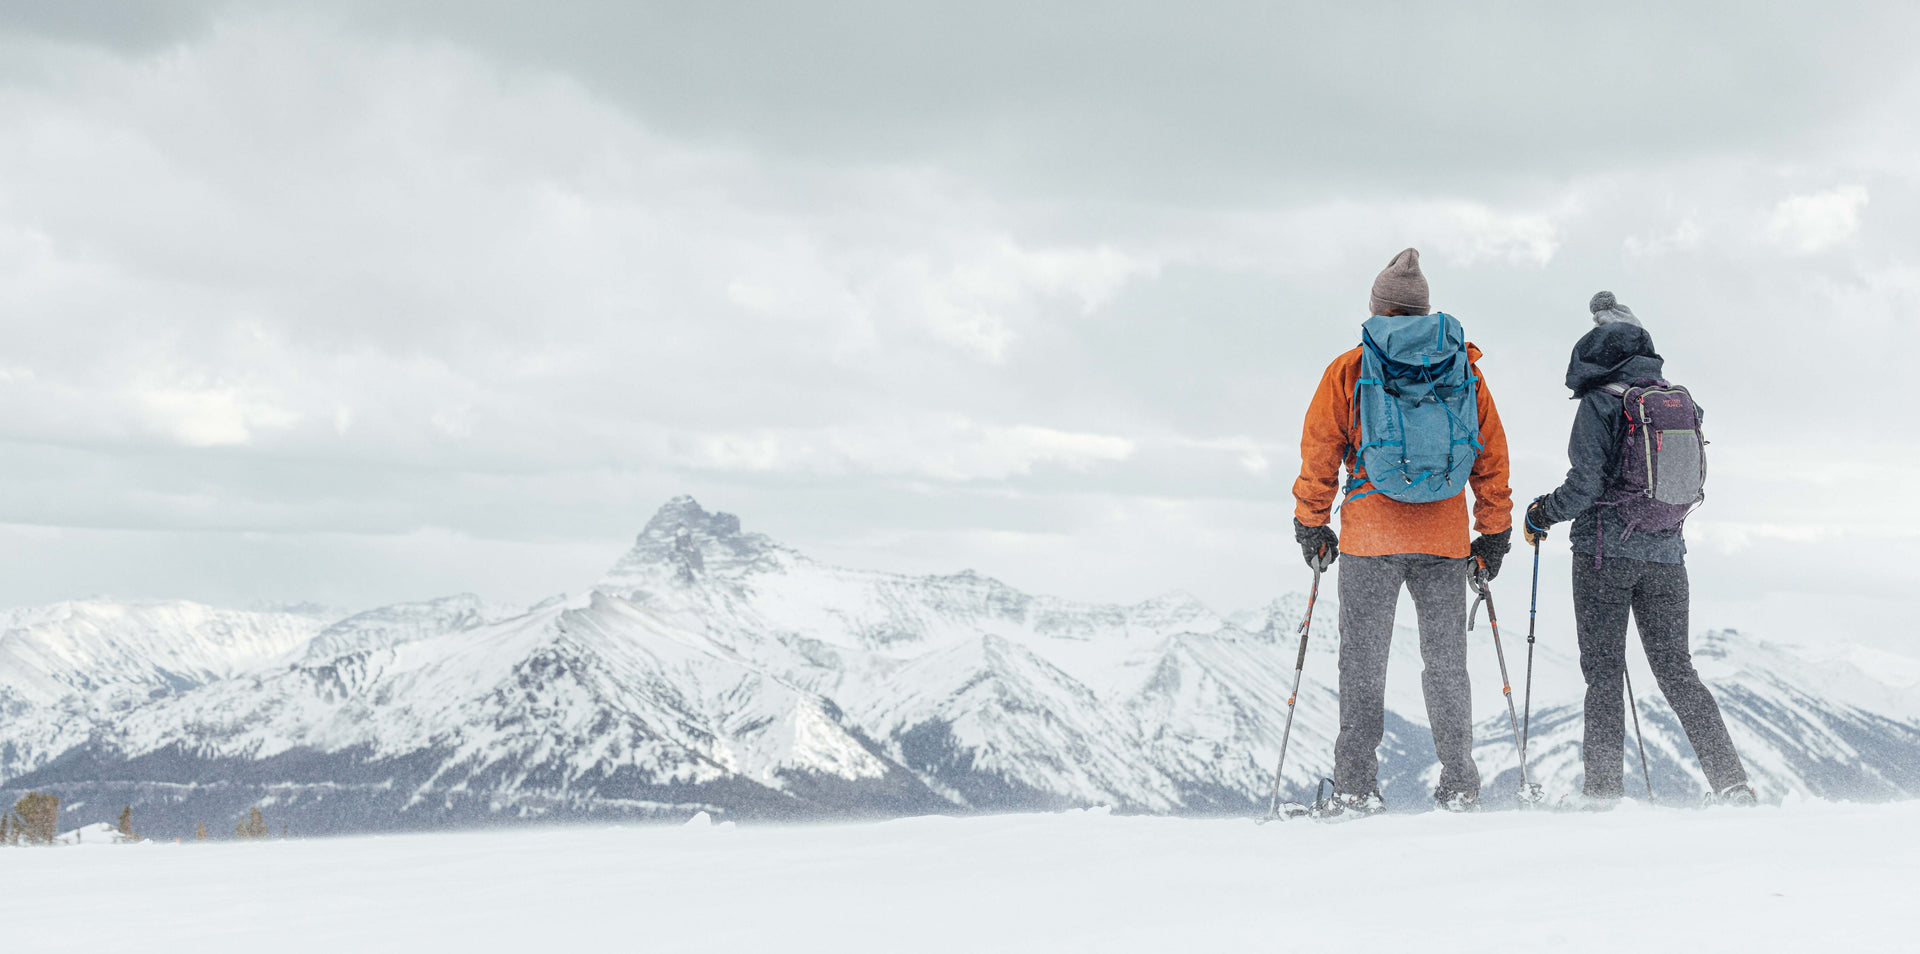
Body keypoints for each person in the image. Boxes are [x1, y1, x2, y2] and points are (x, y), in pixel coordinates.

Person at [1291, 248, 1513, 815]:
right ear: (1425, 310)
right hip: (1444, 537)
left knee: (1363, 662)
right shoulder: (1463, 370)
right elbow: (1491, 459)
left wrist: (1312, 522)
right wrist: (1492, 534)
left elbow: (1320, 450)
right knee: (1445, 665)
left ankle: (1355, 787)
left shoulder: (1351, 369)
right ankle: (1460, 783)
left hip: (1370, 536)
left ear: (1376, 307)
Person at [1523, 291, 1755, 808]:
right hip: (1669, 556)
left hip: (1606, 555)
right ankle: (1732, 783)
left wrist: (1541, 513)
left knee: (1603, 672)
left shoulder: (1600, 403)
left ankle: (1603, 792)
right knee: (1677, 669)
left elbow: (1583, 487)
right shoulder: (1674, 401)